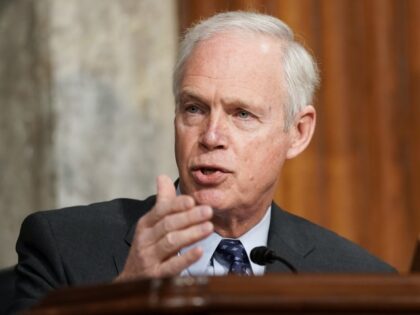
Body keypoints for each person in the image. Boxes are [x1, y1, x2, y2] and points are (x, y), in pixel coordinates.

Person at [10, 11, 395, 313]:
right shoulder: (62, 247)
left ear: (298, 132)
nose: (211, 136)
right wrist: (121, 301)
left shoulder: (361, 280)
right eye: (194, 109)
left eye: (241, 114)